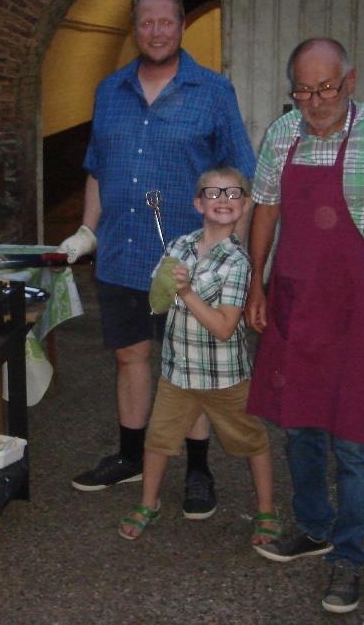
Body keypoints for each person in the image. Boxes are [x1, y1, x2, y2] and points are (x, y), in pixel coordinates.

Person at [244, 38, 364, 614]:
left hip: (360, 305)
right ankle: (313, 527)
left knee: (351, 436)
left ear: (349, 81)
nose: (314, 101)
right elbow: (267, 209)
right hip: (297, 300)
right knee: (299, 425)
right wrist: (258, 283)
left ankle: (347, 556)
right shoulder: (282, 135)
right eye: (302, 89)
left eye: (325, 88)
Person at [58, 0, 256, 522]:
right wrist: (86, 230)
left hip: (185, 262)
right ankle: (130, 455)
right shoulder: (109, 90)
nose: (156, 31)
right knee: (131, 357)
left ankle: (197, 469)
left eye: (166, 21)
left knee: (187, 367)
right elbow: (97, 167)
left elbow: (243, 172)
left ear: (182, 26)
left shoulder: (213, 91)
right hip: (121, 252)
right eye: (147, 22)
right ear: (134, 27)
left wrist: (229, 248)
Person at [116, 167, 279, 547]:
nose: (223, 200)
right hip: (178, 374)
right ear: (198, 203)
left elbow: (224, 327)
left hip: (226, 377)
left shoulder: (238, 262)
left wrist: (187, 292)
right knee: (157, 441)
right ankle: (148, 503)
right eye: (213, 193)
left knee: (252, 441)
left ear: (245, 203)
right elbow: (157, 304)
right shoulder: (178, 246)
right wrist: (164, 281)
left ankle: (267, 511)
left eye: (232, 193)